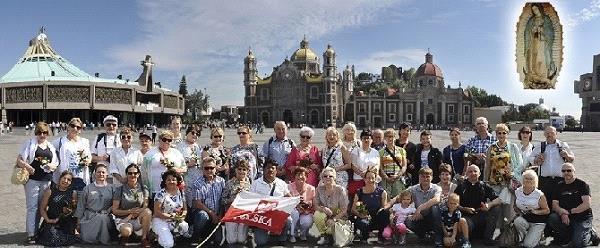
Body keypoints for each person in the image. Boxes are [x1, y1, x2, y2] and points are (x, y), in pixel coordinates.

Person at [16, 122, 58, 243]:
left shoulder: (50, 146)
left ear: (48, 133)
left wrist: (52, 166)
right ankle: (31, 234)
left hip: (46, 181)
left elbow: (56, 163)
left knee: (41, 207)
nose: (42, 135)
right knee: (32, 207)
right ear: (36, 133)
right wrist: (27, 166)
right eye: (39, 132)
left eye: (44, 132)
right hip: (32, 180)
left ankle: (35, 231)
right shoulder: (29, 143)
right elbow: (19, 160)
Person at [547, 163, 600, 247]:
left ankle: (591, 234)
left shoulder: (582, 185)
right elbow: (554, 205)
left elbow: (587, 204)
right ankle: (569, 236)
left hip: (582, 218)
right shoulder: (558, 186)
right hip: (566, 217)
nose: (566, 172)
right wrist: (562, 212)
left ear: (574, 172)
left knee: (578, 244)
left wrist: (569, 212)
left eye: (569, 170)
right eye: (563, 171)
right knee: (553, 218)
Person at [454, 165, 502, 246]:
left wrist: (489, 205)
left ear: (479, 173)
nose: (473, 173)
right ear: (466, 174)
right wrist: (464, 209)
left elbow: (499, 199)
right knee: (463, 221)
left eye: (475, 171)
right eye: (470, 171)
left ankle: (488, 238)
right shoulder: (461, 186)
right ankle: (465, 240)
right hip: (467, 218)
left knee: (496, 208)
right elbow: (453, 203)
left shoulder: (484, 186)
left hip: (482, 216)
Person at [529, 126, 574, 207]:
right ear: (544, 134)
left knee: (561, 203)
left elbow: (572, 159)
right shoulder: (540, 146)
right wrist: (536, 159)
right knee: (545, 204)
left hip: (560, 180)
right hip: (544, 181)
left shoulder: (563, 145)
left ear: (556, 134)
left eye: (552, 133)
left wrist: (567, 155)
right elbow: (531, 158)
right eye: (547, 133)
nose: (550, 135)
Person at [250, 160, 292, 246]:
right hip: (262, 216)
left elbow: (288, 196)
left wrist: (295, 199)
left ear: (276, 171)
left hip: (277, 213)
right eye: (268, 168)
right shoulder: (256, 183)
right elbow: (251, 201)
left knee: (288, 220)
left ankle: (281, 237)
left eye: (273, 168)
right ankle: (267, 232)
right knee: (260, 242)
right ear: (263, 170)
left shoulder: (281, 183)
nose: (270, 170)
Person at [111, 164, 152, 247]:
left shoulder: (144, 188)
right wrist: (130, 212)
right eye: (130, 173)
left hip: (138, 218)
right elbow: (114, 210)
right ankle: (125, 236)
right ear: (127, 174)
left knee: (148, 212)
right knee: (126, 231)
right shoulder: (120, 189)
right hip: (124, 219)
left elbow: (145, 206)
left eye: (135, 173)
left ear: (138, 174)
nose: (132, 175)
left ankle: (144, 238)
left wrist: (134, 213)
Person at [74, 164, 116, 245]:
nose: (101, 174)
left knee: (102, 218)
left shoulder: (112, 188)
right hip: (89, 216)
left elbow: (116, 204)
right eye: (98, 172)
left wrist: (108, 210)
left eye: (103, 172)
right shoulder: (87, 188)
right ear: (94, 174)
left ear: (107, 174)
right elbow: (81, 206)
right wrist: (78, 223)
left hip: (106, 216)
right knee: (86, 239)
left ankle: (104, 240)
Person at [37, 171, 79, 246]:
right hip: (51, 220)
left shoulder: (73, 193)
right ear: (60, 179)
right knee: (53, 239)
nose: (65, 181)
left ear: (71, 182)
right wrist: (48, 220)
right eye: (64, 178)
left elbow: (75, 210)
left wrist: (69, 211)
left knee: (66, 239)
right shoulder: (50, 191)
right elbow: (42, 209)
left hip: (66, 222)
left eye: (69, 180)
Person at [142, 130, 186, 201]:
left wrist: (178, 170)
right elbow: (143, 171)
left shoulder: (176, 153)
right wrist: (146, 189)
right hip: (155, 189)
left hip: (173, 189)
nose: (167, 142)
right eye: (164, 139)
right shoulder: (150, 154)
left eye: (169, 140)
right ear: (159, 140)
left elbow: (185, 168)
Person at [402, 168, 442, 245]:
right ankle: (422, 235)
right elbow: (400, 196)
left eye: (428, 176)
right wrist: (388, 206)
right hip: (419, 217)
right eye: (423, 176)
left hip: (432, 217)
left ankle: (438, 236)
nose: (425, 178)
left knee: (435, 208)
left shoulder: (436, 188)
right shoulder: (413, 189)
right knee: (408, 220)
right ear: (419, 177)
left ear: (432, 177)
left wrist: (420, 208)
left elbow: (437, 199)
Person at [190, 157, 225, 242]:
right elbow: (197, 203)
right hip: (204, 213)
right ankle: (195, 237)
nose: (209, 170)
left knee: (218, 241)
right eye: (206, 168)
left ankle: (207, 235)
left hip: (217, 214)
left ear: (215, 168)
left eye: (212, 168)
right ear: (202, 169)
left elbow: (223, 200)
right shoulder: (197, 183)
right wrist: (212, 214)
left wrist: (219, 215)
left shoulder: (221, 181)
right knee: (202, 215)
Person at [52, 117, 92, 191]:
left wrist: (87, 161)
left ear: (81, 130)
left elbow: (89, 156)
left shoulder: (85, 142)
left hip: (80, 177)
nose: (75, 128)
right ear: (68, 127)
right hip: (65, 179)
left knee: (80, 200)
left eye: (78, 127)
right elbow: (49, 153)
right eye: (73, 126)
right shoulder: (59, 141)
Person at [152, 170, 189, 248]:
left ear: (177, 181)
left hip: (175, 220)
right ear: (165, 181)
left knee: (184, 227)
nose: (171, 181)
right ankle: (155, 235)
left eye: (173, 180)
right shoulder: (160, 194)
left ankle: (171, 235)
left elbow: (185, 209)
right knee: (168, 245)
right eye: (168, 180)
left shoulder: (181, 192)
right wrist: (172, 216)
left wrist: (182, 216)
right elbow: (157, 212)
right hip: (161, 220)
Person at [351, 168, 390, 244]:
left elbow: (384, 207)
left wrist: (381, 210)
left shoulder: (382, 192)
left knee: (385, 213)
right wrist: (361, 215)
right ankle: (365, 236)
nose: (370, 180)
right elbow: (353, 209)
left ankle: (380, 236)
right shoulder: (359, 192)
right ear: (364, 179)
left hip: (377, 217)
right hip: (365, 217)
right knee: (361, 222)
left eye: (373, 178)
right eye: (368, 178)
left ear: (376, 179)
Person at [513, 169, 549, 248]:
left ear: (535, 181)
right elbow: (515, 206)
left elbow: (547, 210)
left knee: (528, 245)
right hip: (525, 220)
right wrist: (519, 212)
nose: (528, 180)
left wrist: (535, 211)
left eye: (531, 178)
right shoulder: (518, 192)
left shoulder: (539, 194)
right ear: (522, 179)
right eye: (526, 178)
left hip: (537, 222)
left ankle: (538, 236)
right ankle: (526, 237)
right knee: (517, 221)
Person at [313, 167, 349, 245]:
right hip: (326, 216)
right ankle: (324, 236)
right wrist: (323, 208)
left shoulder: (341, 190)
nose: (328, 178)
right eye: (325, 176)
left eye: (330, 176)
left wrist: (334, 219)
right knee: (317, 215)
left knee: (335, 237)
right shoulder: (319, 189)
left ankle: (333, 235)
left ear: (335, 178)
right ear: (322, 178)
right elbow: (315, 205)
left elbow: (344, 210)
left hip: (339, 217)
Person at [221, 160, 251, 245]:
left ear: (247, 171)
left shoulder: (250, 183)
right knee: (232, 240)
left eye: (244, 169)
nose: (241, 171)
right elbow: (223, 201)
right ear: (235, 170)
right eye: (239, 169)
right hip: (231, 214)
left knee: (241, 240)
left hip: (244, 214)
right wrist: (233, 199)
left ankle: (247, 235)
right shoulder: (229, 183)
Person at [524, 4, 555, 88]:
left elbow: (550, 32)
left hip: (543, 42)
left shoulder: (546, 19)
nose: (535, 11)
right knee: (534, 57)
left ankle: (543, 75)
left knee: (541, 58)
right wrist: (532, 31)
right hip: (534, 41)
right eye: (533, 10)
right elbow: (528, 32)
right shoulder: (532, 20)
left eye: (536, 9)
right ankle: (535, 75)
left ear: (539, 9)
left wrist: (542, 31)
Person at [349, 129, 380, 200]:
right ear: (361, 139)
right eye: (364, 138)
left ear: (371, 140)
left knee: (371, 200)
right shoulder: (356, 150)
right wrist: (362, 174)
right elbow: (353, 165)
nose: (366, 140)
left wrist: (367, 174)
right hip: (359, 179)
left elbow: (377, 166)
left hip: (372, 180)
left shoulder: (375, 152)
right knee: (358, 202)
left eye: (368, 138)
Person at [176, 124, 202, 208]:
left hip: (197, 180)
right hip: (185, 180)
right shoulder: (180, 146)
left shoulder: (197, 146)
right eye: (193, 132)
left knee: (195, 204)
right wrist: (188, 164)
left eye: (198, 134)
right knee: (185, 205)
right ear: (187, 133)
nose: (195, 135)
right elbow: (176, 164)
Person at [288, 167, 315, 243]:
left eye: (302, 175)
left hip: (306, 211)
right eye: (298, 174)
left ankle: (303, 234)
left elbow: (313, 204)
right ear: (294, 177)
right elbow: (287, 202)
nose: (300, 177)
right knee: (294, 213)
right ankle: (293, 234)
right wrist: (296, 203)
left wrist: (306, 203)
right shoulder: (289, 187)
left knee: (307, 221)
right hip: (293, 210)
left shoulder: (311, 188)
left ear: (306, 177)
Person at [91, 115, 120, 184]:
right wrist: (101, 158)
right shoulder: (99, 138)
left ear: (117, 126)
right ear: (104, 126)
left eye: (114, 125)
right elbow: (91, 157)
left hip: (117, 175)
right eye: (108, 124)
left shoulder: (121, 138)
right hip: (101, 175)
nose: (111, 126)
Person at [379, 128, 407, 199]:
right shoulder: (381, 152)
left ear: (395, 137)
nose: (390, 138)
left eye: (392, 136)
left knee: (398, 199)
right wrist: (386, 177)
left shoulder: (401, 150)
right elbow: (380, 167)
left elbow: (404, 166)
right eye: (388, 136)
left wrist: (398, 175)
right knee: (386, 199)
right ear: (385, 138)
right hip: (386, 180)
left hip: (398, 179)